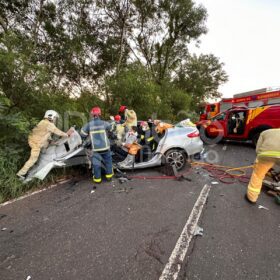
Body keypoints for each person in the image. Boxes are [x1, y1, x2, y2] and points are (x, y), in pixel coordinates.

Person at [17, 110, 73, 179]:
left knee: (39, 155)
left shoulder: (43, 122)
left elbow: (46, 134)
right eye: (55, 118)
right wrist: (67, 134)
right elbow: (57, 131)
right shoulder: (48, 124)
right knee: (33, 159)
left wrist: (51, 142)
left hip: (34, 141)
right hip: (36, 143)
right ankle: (21, 173)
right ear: (51, 116)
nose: (55, 119)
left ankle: (31, 169)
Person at [245, 128, 280, 204]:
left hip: (266, 155)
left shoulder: (265, 132)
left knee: (258, 176)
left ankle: (252, 198)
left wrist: (258, 162)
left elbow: (258, 150)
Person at [80, 107, 113, 184]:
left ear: (92, 115)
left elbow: (82, 134)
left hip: (96, 149)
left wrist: (88, 136)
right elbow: (111, 129)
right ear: (100, 114)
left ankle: (97, 179)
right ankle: (109, 177)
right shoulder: (104, 123)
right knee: (108, 162)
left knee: (96, 164)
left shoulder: (89, 125)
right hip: (105, 148)